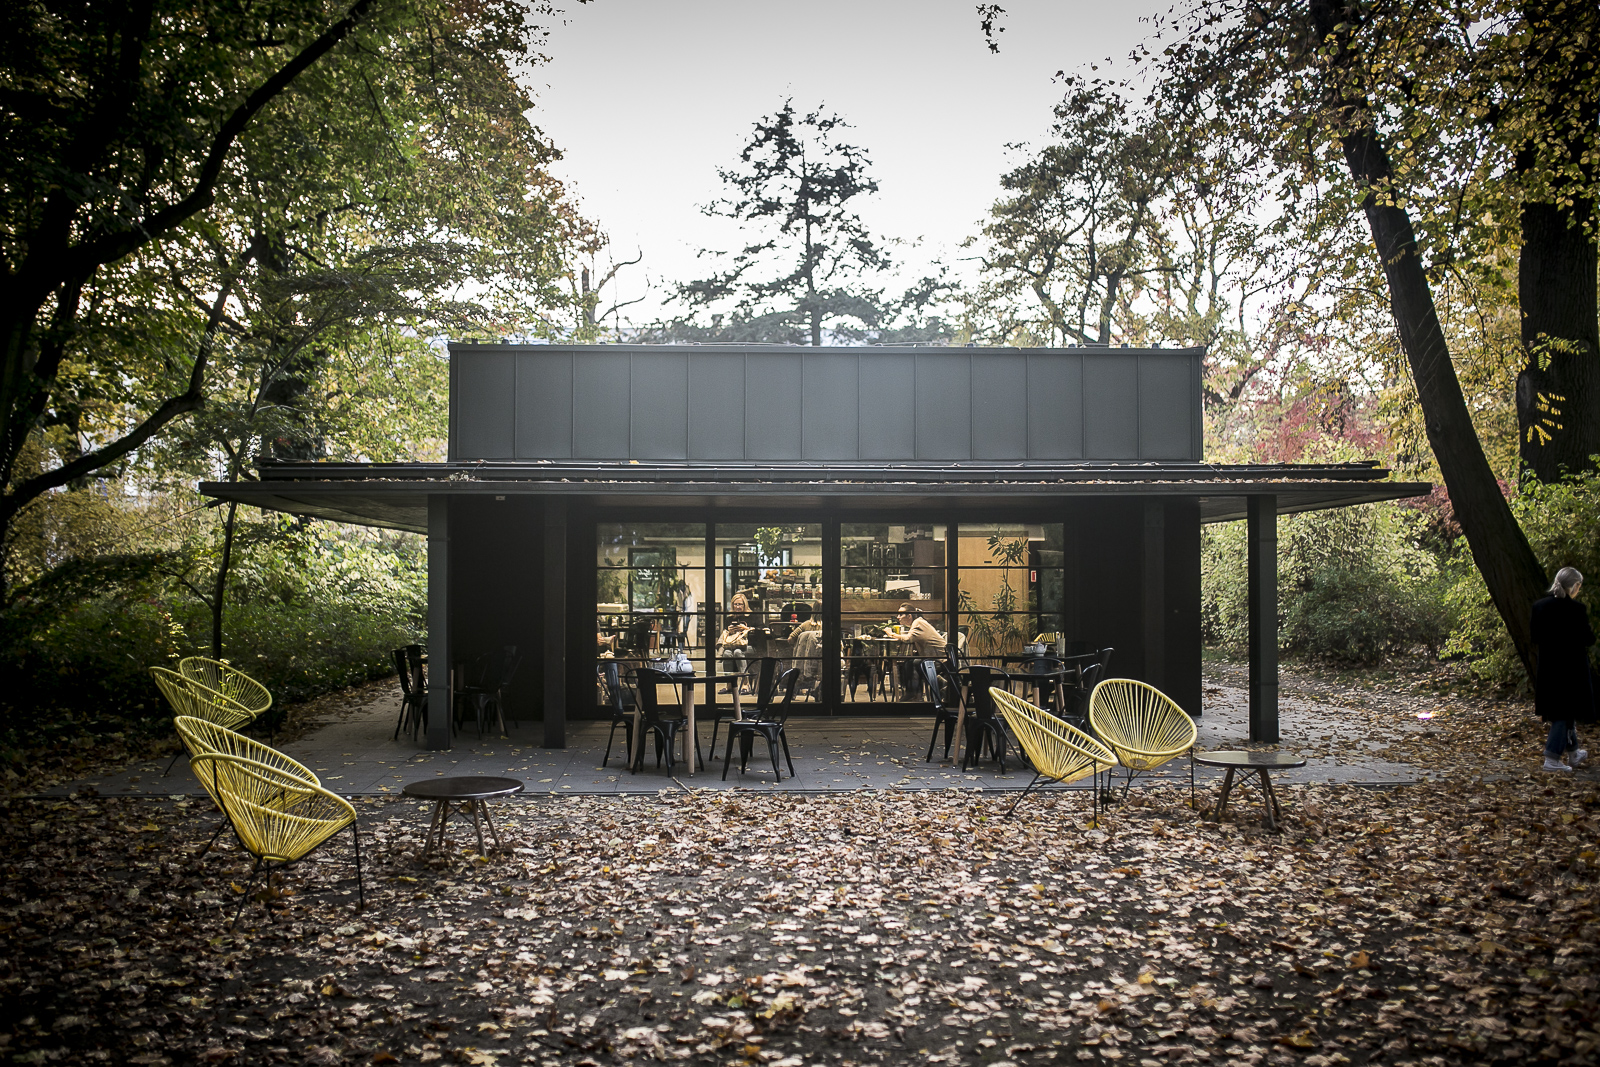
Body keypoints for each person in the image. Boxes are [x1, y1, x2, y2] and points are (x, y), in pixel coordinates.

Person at [1532, 567, 1595, 773]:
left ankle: (1574, 752)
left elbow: (1534, 637)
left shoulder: (1539, 606)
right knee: (1564, 712)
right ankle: (1552, 757)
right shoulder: (1577, 609)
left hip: (1549, 668)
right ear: (1575, 586)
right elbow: (1588, 639)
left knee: (1564, 710)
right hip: (1571, 668)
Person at [891, 606, 947, 698]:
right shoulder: (918, 622)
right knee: (910, 662)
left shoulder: (918, 623)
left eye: (901, 614)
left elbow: (908, 639)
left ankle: (913, 694)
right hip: (934, 658)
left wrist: (891, 634)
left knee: (913, 663)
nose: (898, 617)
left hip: (940, 660)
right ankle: (915, 694)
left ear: (909, 616)